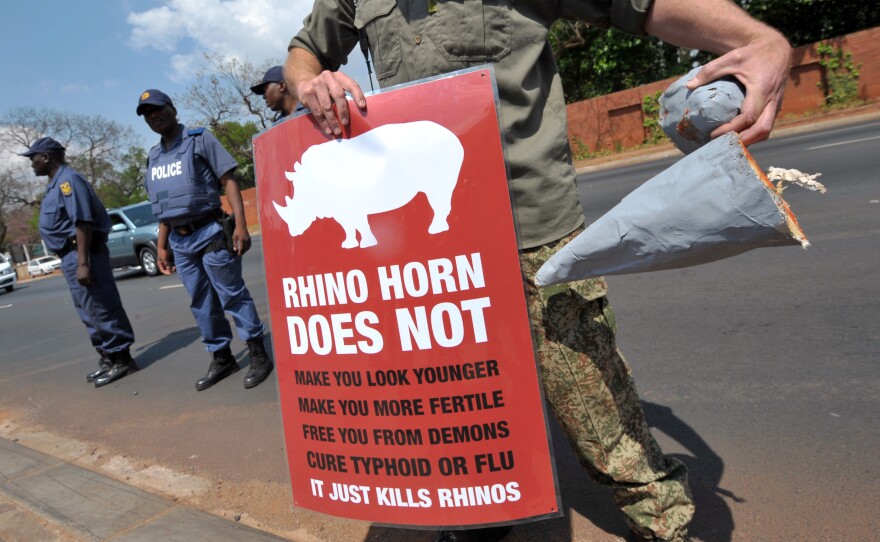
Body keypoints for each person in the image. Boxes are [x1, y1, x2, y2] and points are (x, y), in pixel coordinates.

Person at [285, 1, 791, 542]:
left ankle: (662, 517)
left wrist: (759, 40)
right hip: (432, 242)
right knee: (453, 389)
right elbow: (305, 52)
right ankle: (477, 511)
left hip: (528, 218)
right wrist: (310, 82)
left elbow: (644, 7)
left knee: (590, 391)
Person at [136, 89, 274, 391]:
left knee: (231, 294)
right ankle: (221, 356)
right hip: (180, 242)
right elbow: (164, 205)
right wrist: (161, 245)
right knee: (201, 302)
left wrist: (241, 225)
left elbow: (228, 180)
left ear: (172, 108)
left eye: (157, 109)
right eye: (147, 114)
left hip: (209, 231)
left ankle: (257, 351)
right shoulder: (154, 156)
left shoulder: (199, 139)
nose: (153, 116)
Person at [21, 137, 137, 388]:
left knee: (102, 307)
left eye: (34, 158)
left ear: (47, 157)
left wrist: (83, 262)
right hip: (70, 256)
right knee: (89, 312)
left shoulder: (68, 181)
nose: (31, 164)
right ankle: (108, 357)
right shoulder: (55, 184)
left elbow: (82, 222)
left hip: (82, 254)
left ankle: (122, 360)